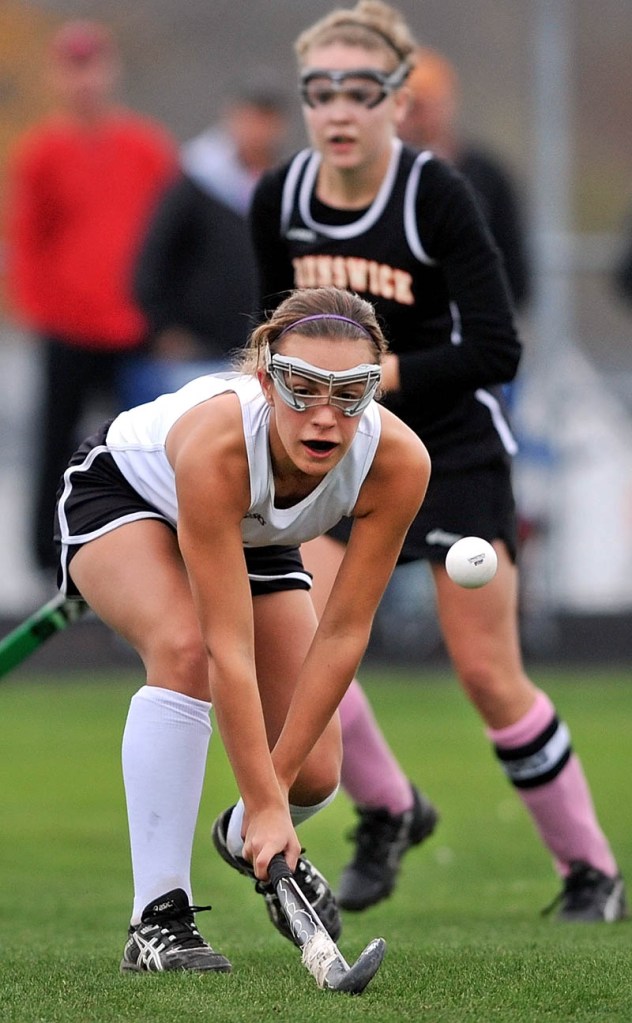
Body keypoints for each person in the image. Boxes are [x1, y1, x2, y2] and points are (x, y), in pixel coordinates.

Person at [249, 0, 627, 922]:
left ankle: (590, 872)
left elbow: (498, 348)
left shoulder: (435, 194)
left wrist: (363, 375)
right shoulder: (280, 199)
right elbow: (267, 342)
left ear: (397, 100)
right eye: (320, 90)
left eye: (360, 90)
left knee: (489, 675)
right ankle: (388, 805)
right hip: (335, 456)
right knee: (302, 650)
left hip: (451, 451)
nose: (338, 108)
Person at [53, 285, 430, 973]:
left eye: (350, 394)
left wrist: (271, 799)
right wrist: (264, 798)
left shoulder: (399, 464)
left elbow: (343, 635)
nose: (325, 417)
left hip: (252, 534)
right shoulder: (219, 444)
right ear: (264, 376)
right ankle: (156, 919)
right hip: (126, 498)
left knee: (316, 774)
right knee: (184, 648)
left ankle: (239, 836)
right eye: (302, 388)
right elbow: (228, 647)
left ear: (375, 390)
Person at [3, 19, 178, 576]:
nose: (85, 79)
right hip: (70, 328)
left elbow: (173, 235)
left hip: (134, 329)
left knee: (144, 450)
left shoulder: (145, 147)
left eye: (92, 65)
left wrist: (167, 314)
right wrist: (42, 311)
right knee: (56, 444)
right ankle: (47, 559)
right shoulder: (42, 152)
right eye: (72, 67)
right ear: (59, 75)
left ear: (110, 69)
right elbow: (27, 240)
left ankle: (145, 556)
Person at [127, 75, 290, 405]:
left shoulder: (285, 185)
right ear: (233, 117)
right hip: (198, 351)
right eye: (252, 117)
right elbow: (154, 258)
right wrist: (165, 329)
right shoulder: (197, 180)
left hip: (260, 352)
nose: (259, 129)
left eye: (268, 119)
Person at [398, 45, 531, 311]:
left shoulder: (487, 175)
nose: (412, 119)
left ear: (447, 104)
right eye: (405, 106)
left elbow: (516, 276)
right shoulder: (371, 176)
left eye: (421, 106)